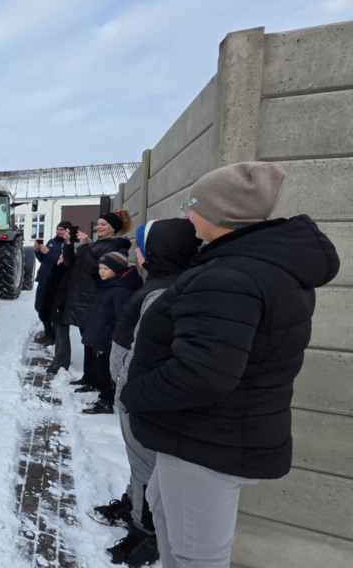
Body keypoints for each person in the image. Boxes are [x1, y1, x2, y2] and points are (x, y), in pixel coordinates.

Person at [121, 163, 340, 568]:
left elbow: (200, 374)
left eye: (192, 205)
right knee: (170, 522)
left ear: (221, 213)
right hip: (211, 435)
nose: (187, 215)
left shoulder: (228, 277)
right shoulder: (259, 266)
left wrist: (135, 393)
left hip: (203, 441)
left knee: (195, 556)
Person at [94, 218, 203, 567]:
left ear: (156, 252)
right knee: (140, 464)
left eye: (141, 245)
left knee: (146, 468)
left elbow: (145, 350)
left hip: (139, 399)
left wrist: (126, 392)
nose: (136, 252)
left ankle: (145, 533)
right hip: (134, 396)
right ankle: (133, 504)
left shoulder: (160, 294)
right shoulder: (160, 285)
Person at [51, 210, 132, 377]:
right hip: (82, 297)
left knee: (93, 340)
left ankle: (94, 378)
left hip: (93, 297)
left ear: (114, 228)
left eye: (103, 224)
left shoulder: (115, 247)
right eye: (98, 224)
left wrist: (84, 246)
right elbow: (70, 263)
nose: (99, 227)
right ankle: (89, 378)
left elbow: (95, 269)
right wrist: (68, 244)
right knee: (88, 339)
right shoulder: (99, 244)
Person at [80, 251, 142, 415]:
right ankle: (105, 396)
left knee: (105, 371)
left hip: (107, 339)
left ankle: (106, 401)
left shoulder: (121, 290)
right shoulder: (108, 284)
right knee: (101, 369)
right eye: (100, 268)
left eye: (106, 268)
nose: (101, 271)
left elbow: (120, 319)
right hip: (101, 335)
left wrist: (110, 339)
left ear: (117, 269)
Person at [34, 220, 71, 345]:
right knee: (39, 307)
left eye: (62, 229)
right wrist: (38, 251)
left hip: (56, 282)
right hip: (44, 279)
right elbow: (44, 260)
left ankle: (53, 336)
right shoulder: (51, 242)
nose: (59, 231)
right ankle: (48, 332)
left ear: (67, 231)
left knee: (52, 310)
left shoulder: (68, 245)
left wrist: (48, 252)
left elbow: (63, 261)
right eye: (58, 229)